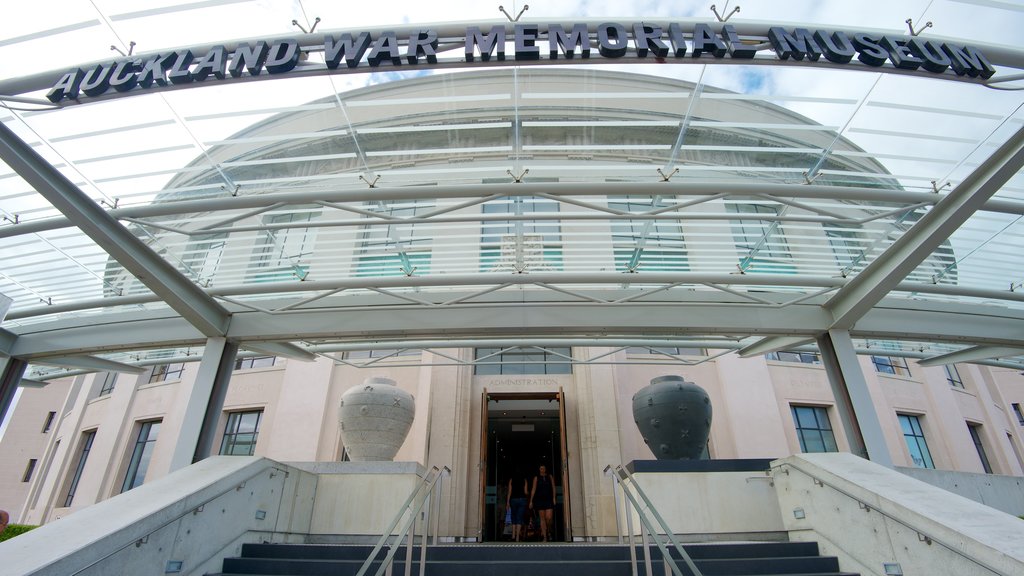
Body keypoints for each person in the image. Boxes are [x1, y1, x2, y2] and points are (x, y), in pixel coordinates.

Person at [529, 464, 556, 542]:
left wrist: (554, 498)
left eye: (544, 468)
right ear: (539, 469)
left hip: (549, 499)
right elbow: (533, 489)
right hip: (539, 500)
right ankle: (545, 536)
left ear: (546, 469)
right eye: (541, 468)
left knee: (549, 518)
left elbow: (553, 487)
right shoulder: (536, 478)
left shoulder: (550, 477)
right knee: (542, 519)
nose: (542, 469)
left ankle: (549, 531)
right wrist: (531, 501)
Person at [506, 469, 529, 542]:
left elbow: (509, 491)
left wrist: (507, 502)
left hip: (513, 499)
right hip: (522, 499)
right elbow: (525, 492)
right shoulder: (524, 480)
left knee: (514, 517)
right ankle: (517, 537)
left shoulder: (511, 479)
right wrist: (528, 493)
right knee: (519, 518)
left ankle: (513, 536)